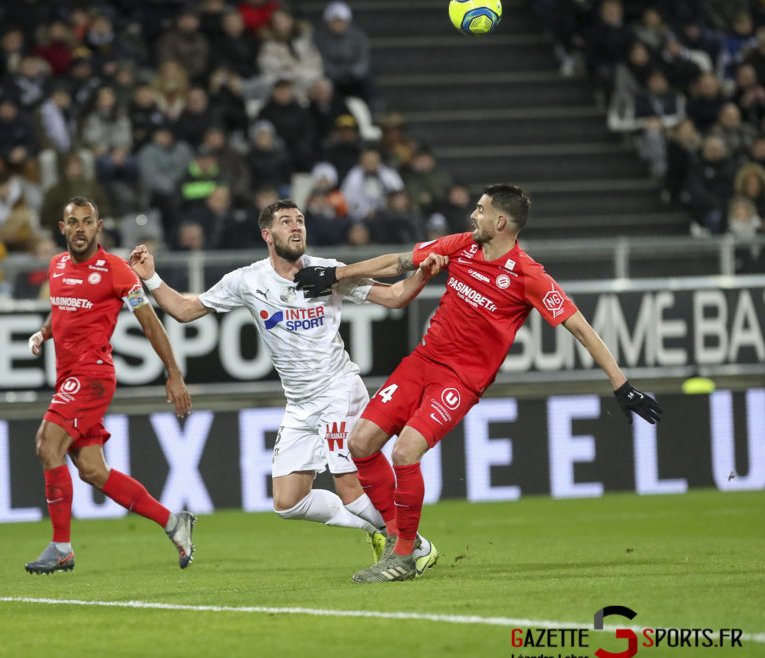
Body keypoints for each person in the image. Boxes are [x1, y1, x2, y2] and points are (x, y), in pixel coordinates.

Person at [294, 184, 663, 583]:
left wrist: (621, 384)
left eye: (481, 209)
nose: (473, 214)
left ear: (500, 222)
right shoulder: (461, 245)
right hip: (422, 361)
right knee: (360, 443)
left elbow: (580, 327)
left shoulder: (528, 275)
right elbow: (399, 263)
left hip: (459, 380)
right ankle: (405, 538)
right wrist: (337, 274)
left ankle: (402, 557)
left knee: (404, 453)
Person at [129, 199, 448, 569]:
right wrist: (149, 276)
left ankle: (412, 546)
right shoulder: (247, 281)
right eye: (285, 222)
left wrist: (423, 272)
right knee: (288, 502)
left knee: (348, 485)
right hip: (300, 403)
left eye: (300, 221)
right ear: (267, 235)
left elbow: (395, 297)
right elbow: (185, 311)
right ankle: (384, 534)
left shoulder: (329, 272)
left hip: (338, 389)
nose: (296, 227)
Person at [25, 196, 196, 574]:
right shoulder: (56, 266)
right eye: (74, 222)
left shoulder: (118, 271)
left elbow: (151, 323)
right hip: (68, 377)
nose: (81, 229)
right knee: (92, 471)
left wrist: (174, 372)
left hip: (93, 375)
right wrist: (43, 333)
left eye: (88, 222)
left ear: (98, 227)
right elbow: (61, 310)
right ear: (62, 228)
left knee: (46, 444)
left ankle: (61, 547)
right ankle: (174, 522)